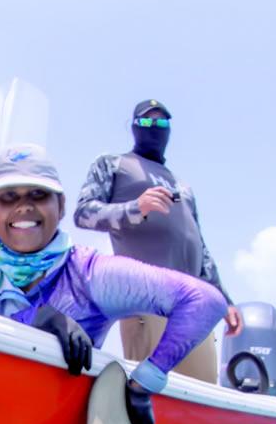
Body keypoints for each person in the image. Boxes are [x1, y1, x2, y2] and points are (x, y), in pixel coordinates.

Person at [0, 144, 227, 424]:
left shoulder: (92, 273)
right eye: (7, 197)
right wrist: (36, 318)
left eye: (38, 194)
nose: (23, 207)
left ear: (61, 206)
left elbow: (206, 301)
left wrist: (144, 383)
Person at [74, 99, 242, 383]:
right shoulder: (113, 164)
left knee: (202, 400)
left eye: (162, 122)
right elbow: (84, 213)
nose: (155, 127)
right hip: (147, 301)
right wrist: (134, 208)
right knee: (148, 397)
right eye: (148, 121)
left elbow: (200, 247)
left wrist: (225, 299)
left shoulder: (183, 185)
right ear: (134, 127)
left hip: (194, 307)